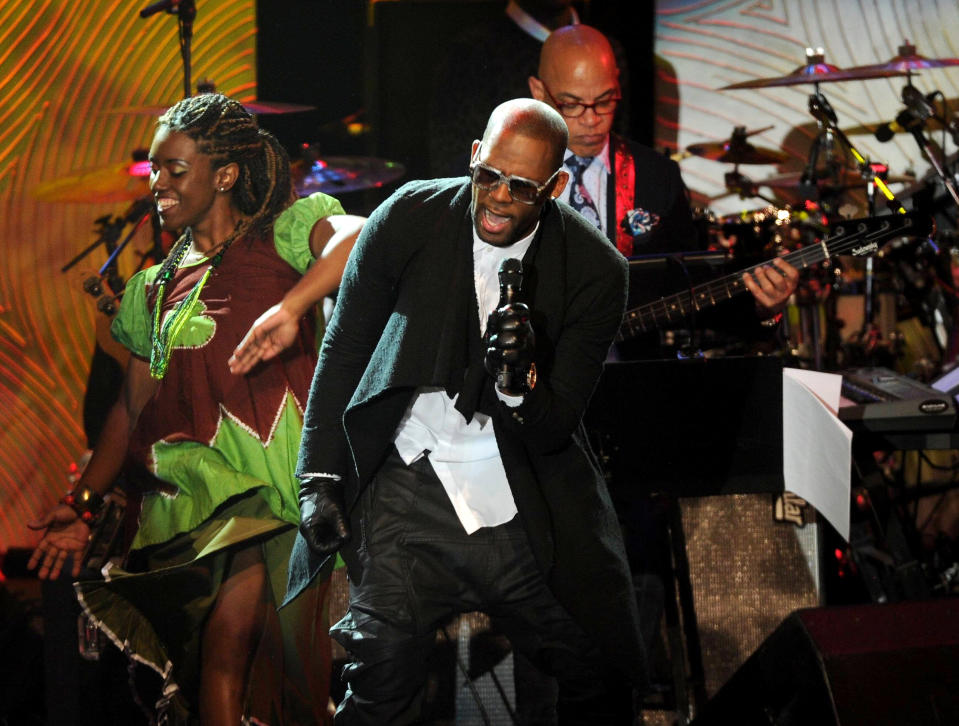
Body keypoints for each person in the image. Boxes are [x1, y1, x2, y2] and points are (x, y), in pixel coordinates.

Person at [286, 98, 644, 724]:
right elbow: (342, 350)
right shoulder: (409, 216)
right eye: (489, 177)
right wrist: (318, 478)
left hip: (516, 500)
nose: (500, 198)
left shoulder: (595, 271)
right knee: (378, 683)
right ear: (475, 158)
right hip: (406, 489)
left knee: (599, 668)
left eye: (523, 187)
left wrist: (518, 384)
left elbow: (557, 424)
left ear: (555, 187)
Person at [27, 93, 363, 725]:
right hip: (204, 505)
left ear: (225, 175)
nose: (158, 183)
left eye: (174, 170)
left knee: (287, 686)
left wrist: (292, 308)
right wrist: (80, 507)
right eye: (155, 169)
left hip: (283, 494)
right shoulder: (153, 289)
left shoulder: (285, 238)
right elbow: (129, 411)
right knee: (225, 650)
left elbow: (358, 240)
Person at [529, 24, 798, 321]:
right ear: (539, 92)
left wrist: (764, 307)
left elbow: (692, 294)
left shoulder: (657, 175)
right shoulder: (515, 173)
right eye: (572, 104)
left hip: (634, 362)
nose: (592, 119)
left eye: (605, 101)